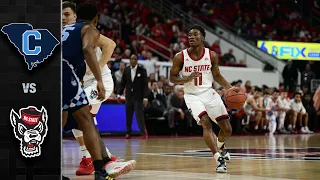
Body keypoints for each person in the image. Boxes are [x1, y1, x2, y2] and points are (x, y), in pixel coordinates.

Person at [62, 1, 136, 177]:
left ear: (75, 16)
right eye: (62, 15)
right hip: (79, 83)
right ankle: (91, 159)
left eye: (67, 14)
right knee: (78, 120)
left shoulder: (86, 30)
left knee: (82, 117)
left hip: (98, 81)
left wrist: (97, 70)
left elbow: (110, 45)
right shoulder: (68, 33)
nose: (63, 18)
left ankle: (105, 159)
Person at [169, 24, 232, 173]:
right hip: (192, 96)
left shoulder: (211, 55)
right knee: (206, 124)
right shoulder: (180, 57)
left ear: (202, 38)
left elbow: (217, 76)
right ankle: (218, 158)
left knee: (227, 129)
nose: (191, 37)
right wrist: (186, 78)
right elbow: (172, 78)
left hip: (209, 93)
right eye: (190, 35)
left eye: (195, 35)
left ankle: (220, 146)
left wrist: (230, 88)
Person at [117, 54, 149, 139]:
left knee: (139, 116)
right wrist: (119, 94)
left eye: (135, 59)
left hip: (138, 97)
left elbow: (145, 85)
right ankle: (128, 133)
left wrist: (145, 97)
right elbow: (122, 83)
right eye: (131, 59)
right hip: (129, 97)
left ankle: (143, 133)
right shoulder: (126, 70)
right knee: (128, 115)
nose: (133, 60)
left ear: (137, 60)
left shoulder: (142, 70)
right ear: (129, 60)